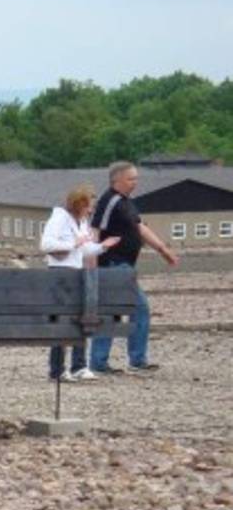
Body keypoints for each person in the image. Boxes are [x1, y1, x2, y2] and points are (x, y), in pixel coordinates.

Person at [89, 161, 179, 374]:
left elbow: (139, 227)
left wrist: (162, 249)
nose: (135, 182)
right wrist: (92, 265)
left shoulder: (126, 202)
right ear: (116, 180)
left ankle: (100, 363)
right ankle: (135, 361)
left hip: (125, 265)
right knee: (139, 308)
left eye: (136, 178)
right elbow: (95, 231)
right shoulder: (109, 201)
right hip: (112, 265)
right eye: (131, 179)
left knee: (112, 313)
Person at [40, 183, 118, 381]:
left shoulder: (81, 221)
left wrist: (102, 247)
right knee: (62, 321)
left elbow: (82, 250)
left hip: (76, 272)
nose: (91, 210)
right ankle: (57, 369)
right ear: (78, 204)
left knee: (80, 319)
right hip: (60, 272)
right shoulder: (59, 218)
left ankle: (78, 365)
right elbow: (46, 244)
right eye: (88, 205)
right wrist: (74, 243)